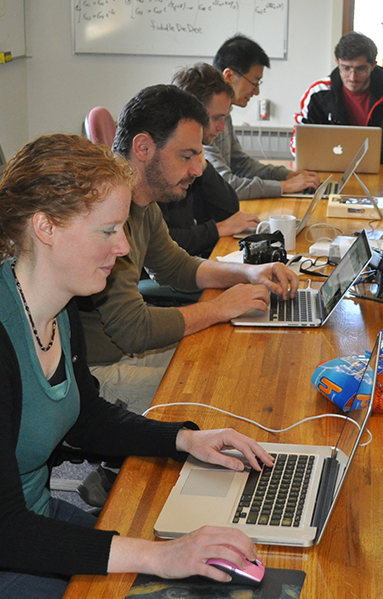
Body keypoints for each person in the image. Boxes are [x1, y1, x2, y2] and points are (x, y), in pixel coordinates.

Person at [0, 134, 275, 599]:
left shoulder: (56, 306)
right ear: (45, 227)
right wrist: (159, 556)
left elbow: (83, 417)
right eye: (107, 231)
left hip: (29, 527)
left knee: (206, 596)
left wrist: (184, 441)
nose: (124, 247)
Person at [79, 84, 299, 414]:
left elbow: (176, 267)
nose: (196, 170)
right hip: (95, 372)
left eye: (197, 155)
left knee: (237, 356)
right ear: (143, 148)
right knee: (227, 390)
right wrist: (220, 307)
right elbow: (134, 330)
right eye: (186, 157)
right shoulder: (106, 214)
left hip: (123, 352)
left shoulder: (143, 200)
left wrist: (250, 272)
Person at [158, 64, 259, 257]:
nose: (221, 127)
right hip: (165, 273)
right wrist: (217, 230)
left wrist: (202, 164)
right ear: (190, 114)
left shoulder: (194, 157)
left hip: (190, 259)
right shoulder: (162, 161)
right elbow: (161, 244)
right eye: (216, 118)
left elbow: (229, 210)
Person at [206, 34, 319, 198]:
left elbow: (240, 165)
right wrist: (284, 186)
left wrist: (285, 175)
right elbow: (224, 184)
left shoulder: (224, 112)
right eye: (254, 82)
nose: (256, 91)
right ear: (229, 76)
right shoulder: (203, 118)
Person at [293, 31, 383, 164]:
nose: (352, 77)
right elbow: (303, 140)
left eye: (361, 69)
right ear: (337, 62)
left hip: (381, 168)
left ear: (373, 66)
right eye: (346, 68)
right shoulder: (319, 92)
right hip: (330, 166)